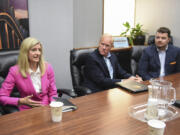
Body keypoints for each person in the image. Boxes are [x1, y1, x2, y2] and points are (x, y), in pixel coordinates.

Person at [0, 37, 58, 111]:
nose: (38, 53)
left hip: (46, 108)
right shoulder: (15, 71)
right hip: (27, 110)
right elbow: (2, 97)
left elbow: (53, 93)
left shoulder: (47, 67)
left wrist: (54, 106)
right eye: (34, 50)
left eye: (39, 50)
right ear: (25, 52)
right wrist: (20, 101)